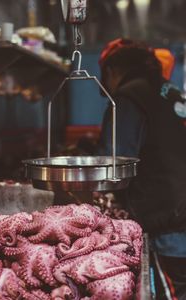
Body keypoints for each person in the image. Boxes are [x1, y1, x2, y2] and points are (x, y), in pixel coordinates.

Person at [97, 38, 186, 299]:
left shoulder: (128, 97)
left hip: (169, 227)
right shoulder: (170, 90)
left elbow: (113, 163)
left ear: (112, 71)